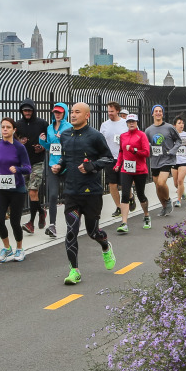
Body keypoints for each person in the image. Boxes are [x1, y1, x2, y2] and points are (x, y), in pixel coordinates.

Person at [50, 102, 115, 285]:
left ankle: (105, 245)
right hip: (71, 192)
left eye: (77, 112)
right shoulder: (65, 135)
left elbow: (108, 158)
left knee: (93, 232)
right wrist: (59, 166)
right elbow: (65, 157)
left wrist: (91, 166)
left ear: (87, 115)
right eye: (72, 112)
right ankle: (74, 271)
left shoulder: (95, 136)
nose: (73, 115)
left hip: (91, 192)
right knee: (71, 231)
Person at [0, 117, 31, 262]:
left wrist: (17, 169)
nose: (5, 129)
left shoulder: (19, 147)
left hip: (17, 190)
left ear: (14, 130)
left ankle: (19, 248)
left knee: (14, 221)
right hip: (1, 189)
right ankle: (7, 248)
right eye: (3, 127)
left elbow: (28, 168)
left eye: (8, 127)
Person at [38, 103, 73, 238]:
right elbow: (50, 146)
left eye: (60, 112)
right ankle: (52, 225)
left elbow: (72, 145)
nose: (57, 114)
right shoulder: (49, 128)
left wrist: (62, 139)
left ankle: (73, 220)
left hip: (66, 165)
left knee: (69, 195)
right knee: (52, 195)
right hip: (52, 165)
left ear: (65, 113)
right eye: (55, 112)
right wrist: (42, 141)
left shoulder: (69, 127)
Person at [113, 114, 151, 233]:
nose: (131, 123)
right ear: (126, 123)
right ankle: (124, 223)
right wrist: (118, 164)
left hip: (140, 170)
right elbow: (121, 152)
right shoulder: (123, 136)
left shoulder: (142, 135)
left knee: (140, 195)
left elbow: (146, 153)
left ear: (137, 123)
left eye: (133, 121)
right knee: (125, 194)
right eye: (129, 121)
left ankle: (146, 215)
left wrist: (134, 150)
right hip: (126, 169)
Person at [15, 99, 48, 234]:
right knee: (29, 192)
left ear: (33, 110)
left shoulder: (42, 124)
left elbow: (49, 140)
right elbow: (13, 141)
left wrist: (42, 147)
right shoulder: (18, 125)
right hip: (24, 163)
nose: (27, 113)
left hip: (37, 162)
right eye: (25, 110)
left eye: (29, 110)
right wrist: (19, 142)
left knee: (33, 191)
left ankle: (31, 223)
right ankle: (41, 211)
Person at [146, 104, 182, 217]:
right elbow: (146, 144)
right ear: (152, 114)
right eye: (156, 111)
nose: (158, 113)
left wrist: (173, 151)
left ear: (162, 114)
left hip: (167, 159)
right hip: (155, 160)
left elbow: (179, 141)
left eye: (160, 111)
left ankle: (168, 200)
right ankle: (164, 207)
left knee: (161, 183)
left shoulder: (169, 127)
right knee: (157, 186)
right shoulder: (148, 130)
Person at [98, 101, 129, 218]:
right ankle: (119, 207)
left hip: (124, 157)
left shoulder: (125, 123)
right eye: (108, 111)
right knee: (112, 184)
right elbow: (100, 140)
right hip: (110, 158)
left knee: (124, 183)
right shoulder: (104, 125)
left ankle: (130, 197)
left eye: (112, 111)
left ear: (117, 111)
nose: (109, 113)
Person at [170, 116, 186, 207]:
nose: (181, 125)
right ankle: (182, 191)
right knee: (176, 183)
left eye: (182, 123)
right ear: (174, 125)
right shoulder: (171, 135)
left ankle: (178, 200)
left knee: (180, 180)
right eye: (179, 123)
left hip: (184, 160)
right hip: (174, 161)